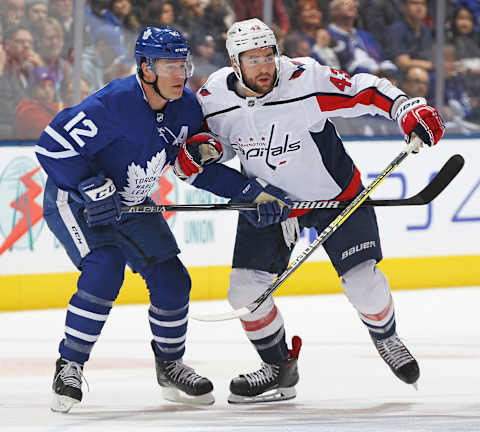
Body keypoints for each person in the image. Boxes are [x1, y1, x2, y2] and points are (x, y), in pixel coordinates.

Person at [173, 18, 445, 404]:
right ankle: (279, 368)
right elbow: (220, 144)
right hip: (274, 204)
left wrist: (407, 109)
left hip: (335, 197)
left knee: (363, 282)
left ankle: (387, 338)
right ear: (236, 63)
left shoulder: (305, 80)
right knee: (244, 291)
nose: (265, 66)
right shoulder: (214, 96)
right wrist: (204, 151)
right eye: (254, 59)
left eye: (269, 55)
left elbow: (364, 91)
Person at [34, 26, 220, 413]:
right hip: (76, 202)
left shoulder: (186, 107)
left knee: (172, 281)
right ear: (145, 67)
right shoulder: (115, 102)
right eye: (169, 65)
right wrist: (87, 184)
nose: (180, 74)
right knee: (106, 268)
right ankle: (69, 365)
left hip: (132, 202)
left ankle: (170, 365)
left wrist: (253, 194)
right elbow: (51, 147)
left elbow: (197, 164)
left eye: (182, 64)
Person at [15, 65, 62, 139]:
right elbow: (51, 131)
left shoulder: (57, 106)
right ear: (32, 89)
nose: (48, 90)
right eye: (42, 86)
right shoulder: (26, 109)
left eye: (51, 86)